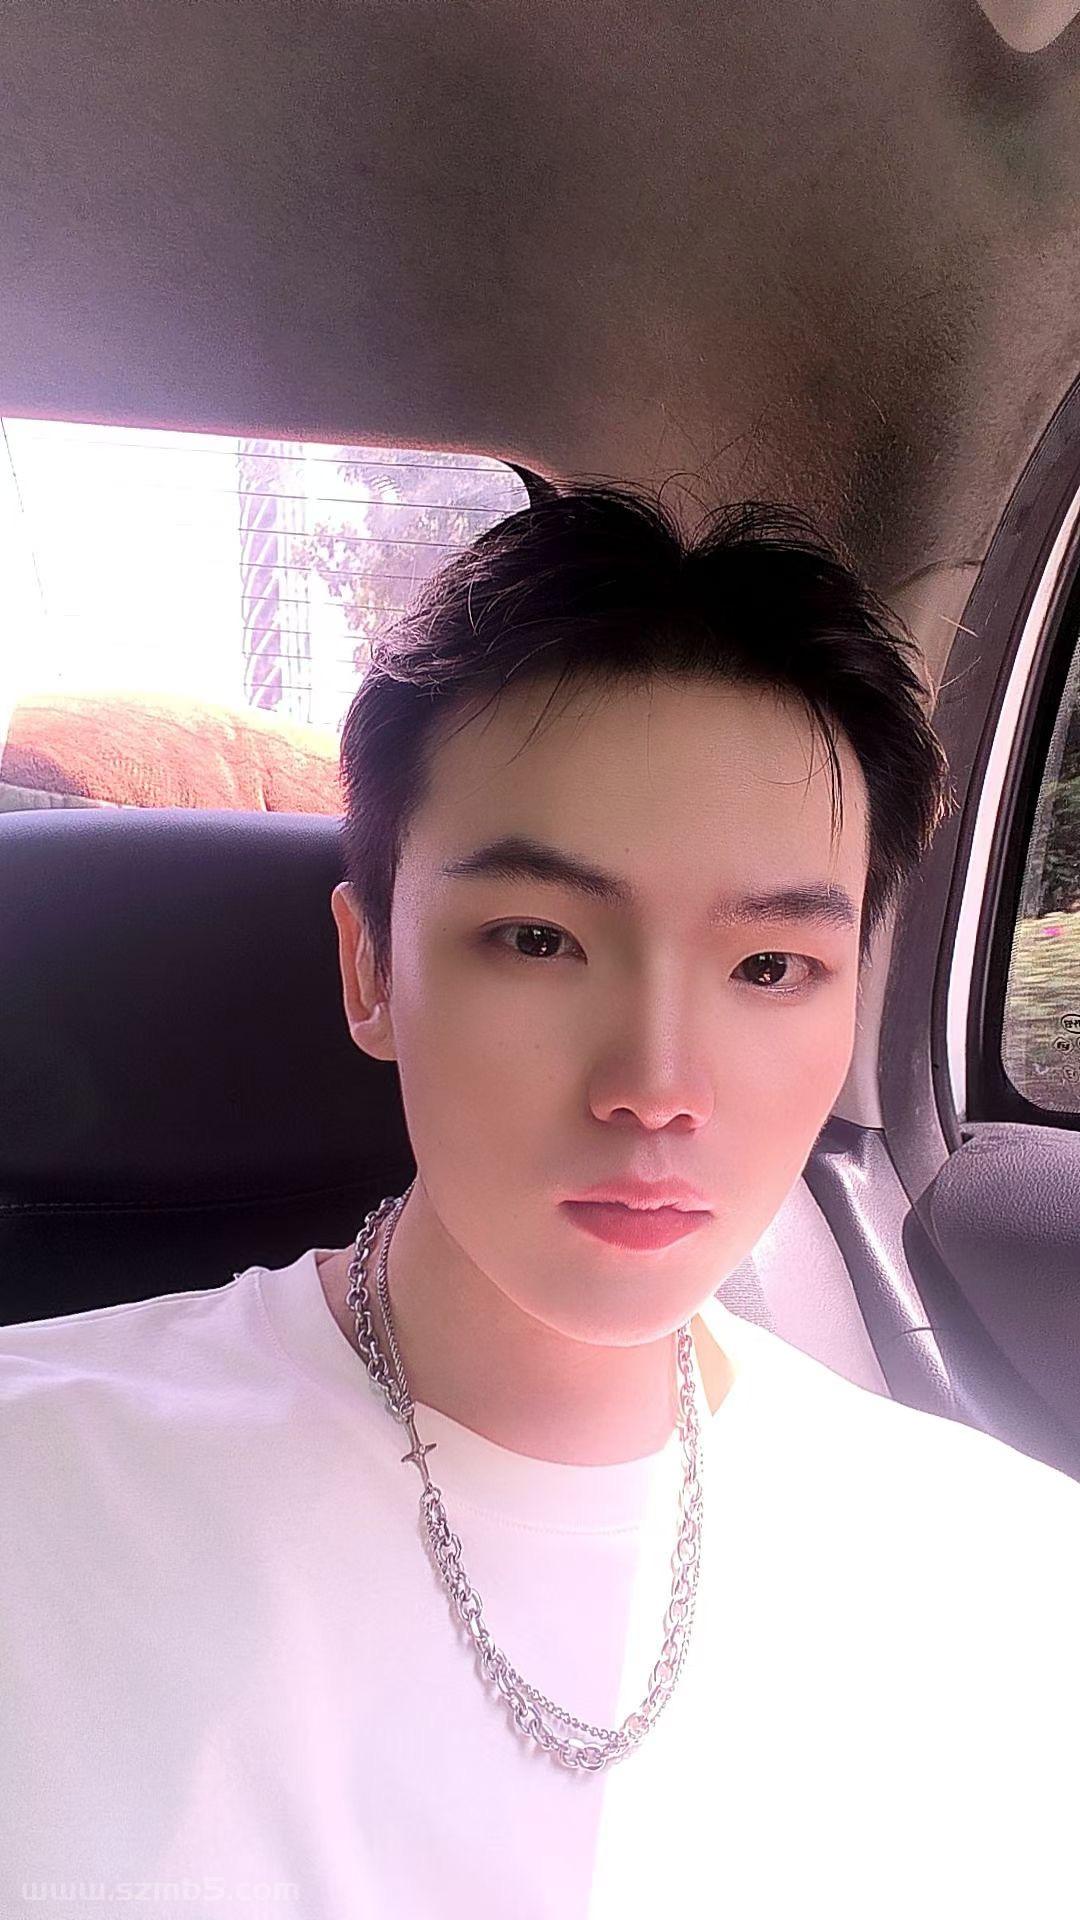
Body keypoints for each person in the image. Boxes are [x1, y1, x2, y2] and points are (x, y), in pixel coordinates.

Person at [2, 482, 1077, 1918]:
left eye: (770, 967)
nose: (658, 1085)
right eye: (537, 939)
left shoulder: (1005, 1579)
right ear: (371, 969)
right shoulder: (40, 1490)